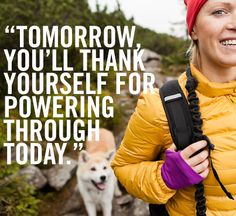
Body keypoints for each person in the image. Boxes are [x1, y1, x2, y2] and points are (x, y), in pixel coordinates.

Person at [111, 0, 236, 215]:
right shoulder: (160, 106)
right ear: (193, 29)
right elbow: (124, 168)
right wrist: (166, 177)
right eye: (220, 12)